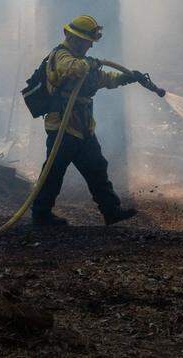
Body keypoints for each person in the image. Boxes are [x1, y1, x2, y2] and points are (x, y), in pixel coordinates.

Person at [31, 14, 140, 227]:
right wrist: (90, 63)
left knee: (97, 168)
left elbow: (102, 79)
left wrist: (125, 78)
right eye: (87, 42)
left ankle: (111, 211)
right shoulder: (59, 55)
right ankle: (41, 215)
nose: (90, 46)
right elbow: (74, 68)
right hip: (62, 127)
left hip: (82, 128)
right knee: (54, 172)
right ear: (75, 39)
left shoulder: (85, 61)